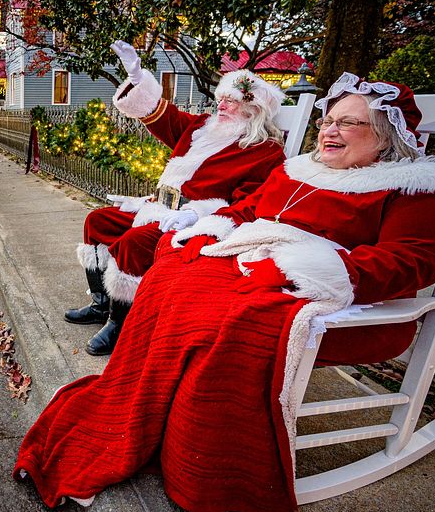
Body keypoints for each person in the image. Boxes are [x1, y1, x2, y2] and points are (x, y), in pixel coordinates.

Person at [14, 73, 435, 512]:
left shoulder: (413, 189)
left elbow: (423, 256)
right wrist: (202, 231)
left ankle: (206, 466)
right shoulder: (302, 170)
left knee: (221, 318)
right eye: (328, 120)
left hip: (332, 298)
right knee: (172, 275)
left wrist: (305, 271)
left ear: (386, 138)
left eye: (348, 124)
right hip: (255, 262)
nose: (329, 130)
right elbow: (249, 210)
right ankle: (153, 409)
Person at [67, 40, 286, 355]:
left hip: (193, 225)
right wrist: (139, 79)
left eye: (231, 101)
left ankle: (120, 322)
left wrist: (198, 216)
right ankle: (102, 303)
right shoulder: (202, 129)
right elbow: (163, 116)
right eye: (220, 99)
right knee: (97, 221)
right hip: (159, 209)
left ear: (252, 110)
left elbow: (247, 204)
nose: (221, 107)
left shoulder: (263, 151)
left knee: (132, 243)